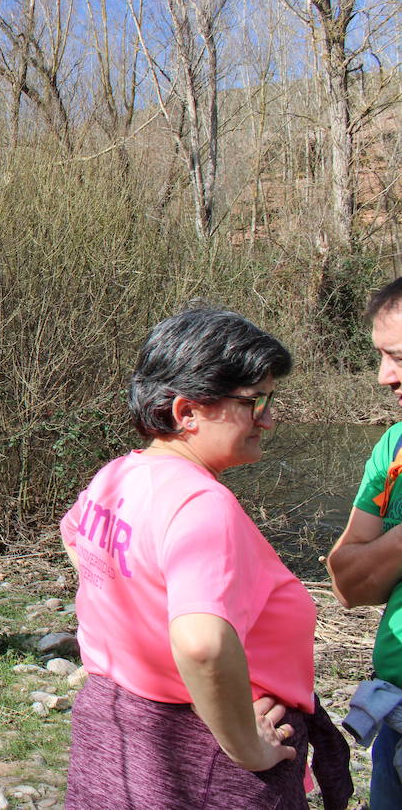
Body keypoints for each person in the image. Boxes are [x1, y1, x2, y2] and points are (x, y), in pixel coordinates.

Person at [62, 309, 350, 809]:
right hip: (204, 762)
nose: (268, 417)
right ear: (185, 412)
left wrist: (144, 640)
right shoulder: (202, 503)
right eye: (253, 402)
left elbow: (76, 540)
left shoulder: (119, 475)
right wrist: (248, 746)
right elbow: (202, 646)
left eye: (269, 400)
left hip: (115, 732)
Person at [327, 277, 402, 808]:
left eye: (397, 357)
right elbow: (348, 582)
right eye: (380, 356)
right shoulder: (393, 447)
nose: (384, 377)